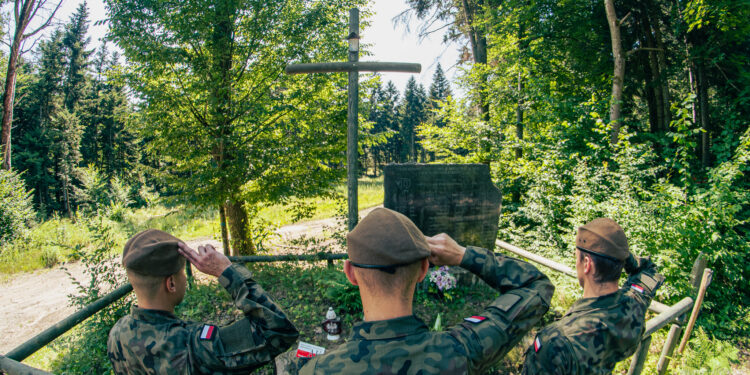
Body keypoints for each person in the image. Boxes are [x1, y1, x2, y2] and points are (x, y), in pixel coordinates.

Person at [299, 207, 555, 374]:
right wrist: (463, 256)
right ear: (424, 270)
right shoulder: (460, 351)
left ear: (350, 273)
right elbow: (537, 285)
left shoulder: (317, 370)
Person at [107, 229, 299, 374]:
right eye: (182, 273)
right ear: (171, 283)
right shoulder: (193, 346)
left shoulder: (118, 333)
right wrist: (226, 272)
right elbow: (279, 331)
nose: (185, 279)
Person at [522, 218, 665, 374]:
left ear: (587, 264)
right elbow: (649, 271)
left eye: (577, 257)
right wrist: (617, 254)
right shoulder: (633, 306)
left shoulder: (555, 341)